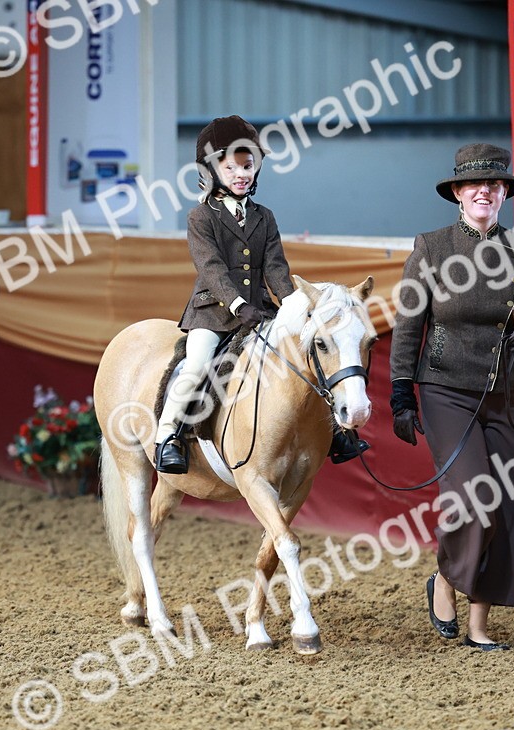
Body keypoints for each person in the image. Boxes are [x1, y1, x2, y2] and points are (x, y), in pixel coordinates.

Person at [388, 143, 514, 650]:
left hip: (507, 393)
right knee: (474, 495)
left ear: (504, 193)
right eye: (474, 184)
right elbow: (406, 325)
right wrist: (401, 392)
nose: (485, 190)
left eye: (495, 184)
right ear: (458, 194)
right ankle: (446, 579)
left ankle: (480, 627)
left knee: (511, 504)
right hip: (445, 389)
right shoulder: (432, 247)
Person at [154, 115, 368, 474]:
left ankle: (334, 433)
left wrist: (297, 307)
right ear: (212, 170)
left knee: (303, 358)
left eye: (248, 166)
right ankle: (169, 436)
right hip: (213, 313)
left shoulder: (264, 217)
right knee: (196, 366)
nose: (242, 174)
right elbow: (211, 270)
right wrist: (238, 305)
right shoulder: (200, 217)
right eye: (232, 167)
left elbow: (276, 269)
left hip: (261, 312)